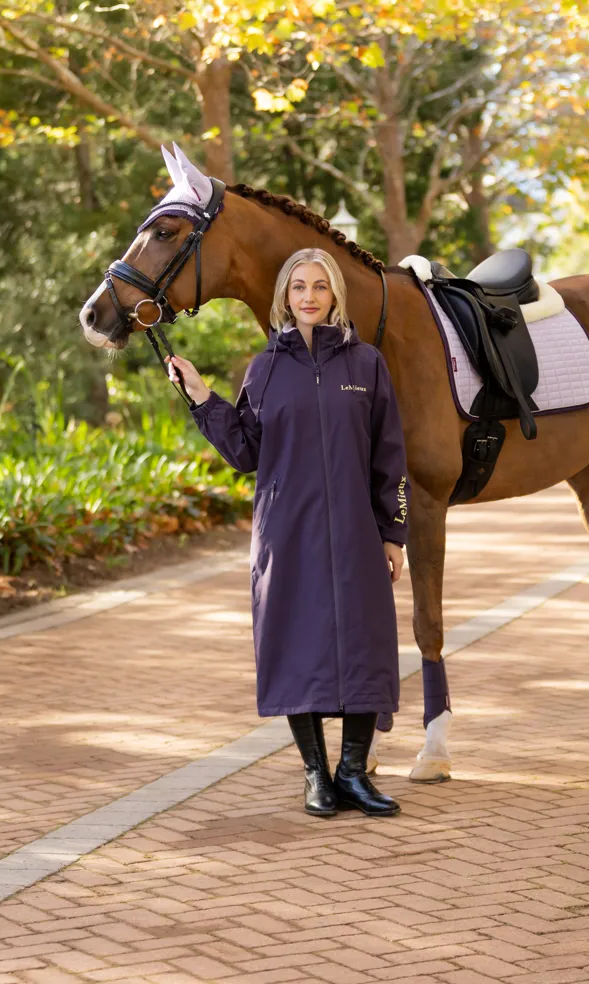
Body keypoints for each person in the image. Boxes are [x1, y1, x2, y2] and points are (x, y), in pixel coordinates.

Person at [167, 247, 409, 818]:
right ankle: (316, 774)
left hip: (356, 530)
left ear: (335, 295)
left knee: (366, 642)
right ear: (284, 296)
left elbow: (390, 455)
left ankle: (353, 773)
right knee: (295, 643)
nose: (309, 296)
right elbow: (245, 451)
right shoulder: (266, 368)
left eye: (320, 286)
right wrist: (201, 396)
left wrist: (393, 532)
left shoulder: (366, 364)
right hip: (286, 533)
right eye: (299, 286)